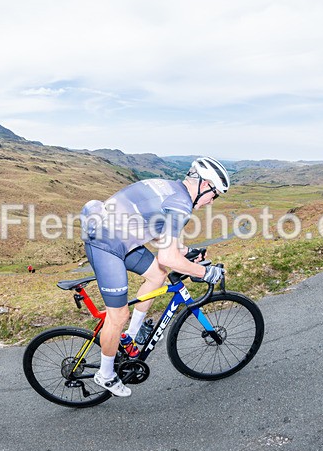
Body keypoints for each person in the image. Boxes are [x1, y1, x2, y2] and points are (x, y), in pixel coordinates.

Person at [80, 156, 229, 397]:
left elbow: (160, 231)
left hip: (120, 237)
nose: (212, 201)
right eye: (215, 194)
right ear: (205, 185)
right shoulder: (181, 204)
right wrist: (206, 273)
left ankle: (131, 334)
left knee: (157, 275)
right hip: (105, 245)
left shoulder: (173, 188)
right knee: (118, 316)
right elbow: (167, 258)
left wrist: (186, 252)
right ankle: (105, 375)